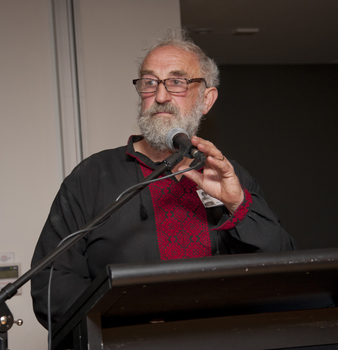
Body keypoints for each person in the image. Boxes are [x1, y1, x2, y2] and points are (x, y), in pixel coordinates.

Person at [30, 29, 296, 329]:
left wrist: (238, 204)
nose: (159, 96)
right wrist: (128, 316)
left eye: (177, 82)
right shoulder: (92, 176)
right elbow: (50, 284)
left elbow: (286, 270)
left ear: (206, 99)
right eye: (149, 82)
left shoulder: (229, 175)